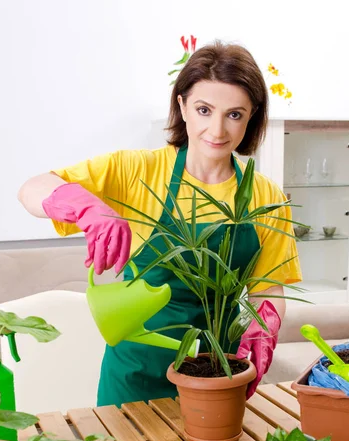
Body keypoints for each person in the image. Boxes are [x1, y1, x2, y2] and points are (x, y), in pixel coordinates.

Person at [18, 40, 302, 407]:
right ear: (182, 106)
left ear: (251, 117)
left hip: (218, 372)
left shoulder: (266, 196)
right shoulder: (137, 170)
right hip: (136, 374)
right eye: (204, 109)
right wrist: (88, 209)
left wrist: (265, 329)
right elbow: (31, 189)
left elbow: (267, 291)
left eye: (234, 114)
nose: (217, 130)